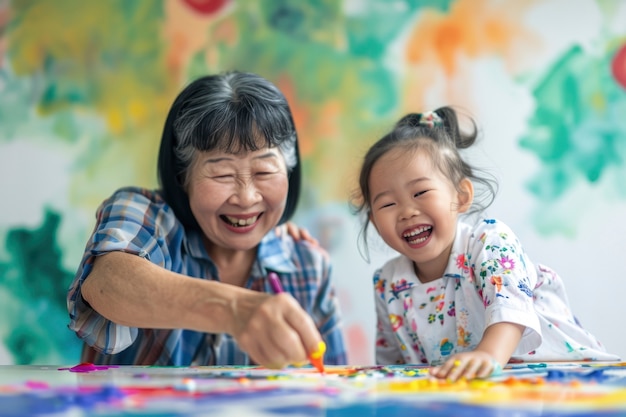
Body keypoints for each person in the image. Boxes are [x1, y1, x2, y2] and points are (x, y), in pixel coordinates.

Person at [67, 71, 347, 368]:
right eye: (222, 174)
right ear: (182, 176)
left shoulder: (309, 266)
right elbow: (106, 283)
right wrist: (236, 310)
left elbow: (337, 391)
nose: (247, 198)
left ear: (289, 171)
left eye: (264, 171)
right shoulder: (144, 214)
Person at [351, 106, 619, 381]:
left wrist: (488, 355)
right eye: (388, 204)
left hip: (571, 378)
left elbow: (511, 311)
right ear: (373, 220)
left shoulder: (489, 242)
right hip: (483, 395)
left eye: (420, 192)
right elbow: (393, 368)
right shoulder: (387, 283)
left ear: (461, 196)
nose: (407, 211)